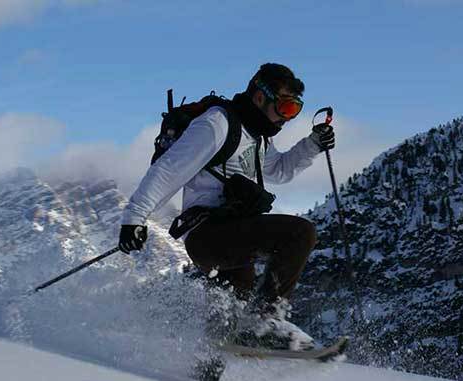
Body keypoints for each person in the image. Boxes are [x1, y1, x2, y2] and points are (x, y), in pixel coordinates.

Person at [118, 63, 336, 355]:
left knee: (224, 334)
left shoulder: (257, 135)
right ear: (260, 97)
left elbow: (279, 171)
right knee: (300, 233)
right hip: (208, 237)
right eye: (284, 107)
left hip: (232, 237)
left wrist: (312, 145)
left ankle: (203, 377)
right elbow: (169, 170)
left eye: (294, 110)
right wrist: (134, 217)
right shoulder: (217, 124)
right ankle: (266, 322)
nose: (287, 118)